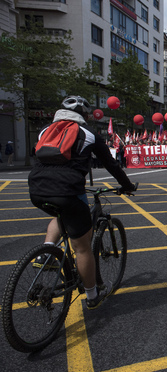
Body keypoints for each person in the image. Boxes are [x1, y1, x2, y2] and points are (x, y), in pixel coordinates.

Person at [28, 95, 136, 309]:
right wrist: (127, 185)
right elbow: (111, 165)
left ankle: (46, 253)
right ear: (85, 115)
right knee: (83, 248)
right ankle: (92, 294)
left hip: (37, 189)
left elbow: (36, 154)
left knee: (61, 215)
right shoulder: (88, 134)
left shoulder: (45, 131)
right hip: (67, 190)